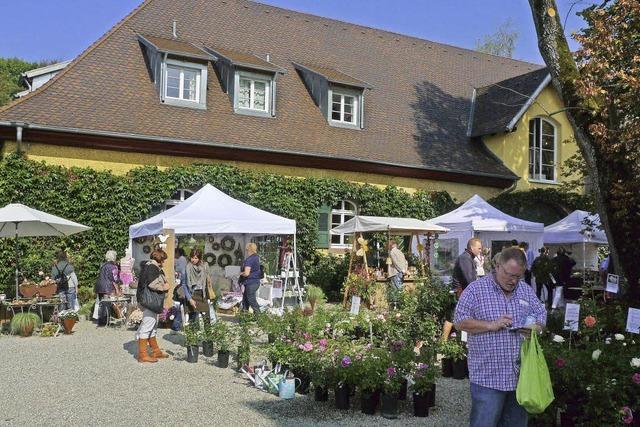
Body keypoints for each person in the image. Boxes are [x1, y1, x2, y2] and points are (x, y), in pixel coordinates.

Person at [454, 247, 547, 427]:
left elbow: (541, 314)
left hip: (520, 378)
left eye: (518, 276)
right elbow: (459, 321)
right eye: (509, 274)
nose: (513, 281)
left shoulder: (525, 290)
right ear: (497, 266)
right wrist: (490, 325)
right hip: (488, 379)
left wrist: (536, 327)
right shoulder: (475, 289)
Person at [135, 249, 171, 363]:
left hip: (149, 301)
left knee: (152, 326)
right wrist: (164, 287)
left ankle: (156, 351)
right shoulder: (152, 267)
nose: (164, 262)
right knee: (148, 326)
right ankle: (143, 355)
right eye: (163, 259)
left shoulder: (151, 266)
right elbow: (152, 284)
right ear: (159, 258)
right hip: (149, 302)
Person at [181, 248, 213, 321]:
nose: (193, 260)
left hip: (202, 294)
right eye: (192, 257)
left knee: (207, 318)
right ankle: (192, 332)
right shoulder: (187, 267)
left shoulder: (204, 266)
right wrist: (189, 299)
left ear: (199, 258)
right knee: (192, 319)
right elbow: (184, 285)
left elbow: (208, 278)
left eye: (195, 258)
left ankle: (208, 333)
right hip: (192, 294)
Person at [240, 242, 261, 314]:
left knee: (251, 300)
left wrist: (240, 273)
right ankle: (244, 316)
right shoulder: (256, 257)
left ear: (249, 250)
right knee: (246, 300)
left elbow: (246, 273)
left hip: (251, 282)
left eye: (246, 250)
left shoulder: (250, 259)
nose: (246, 251)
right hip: (255, 282)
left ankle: (260, 316)